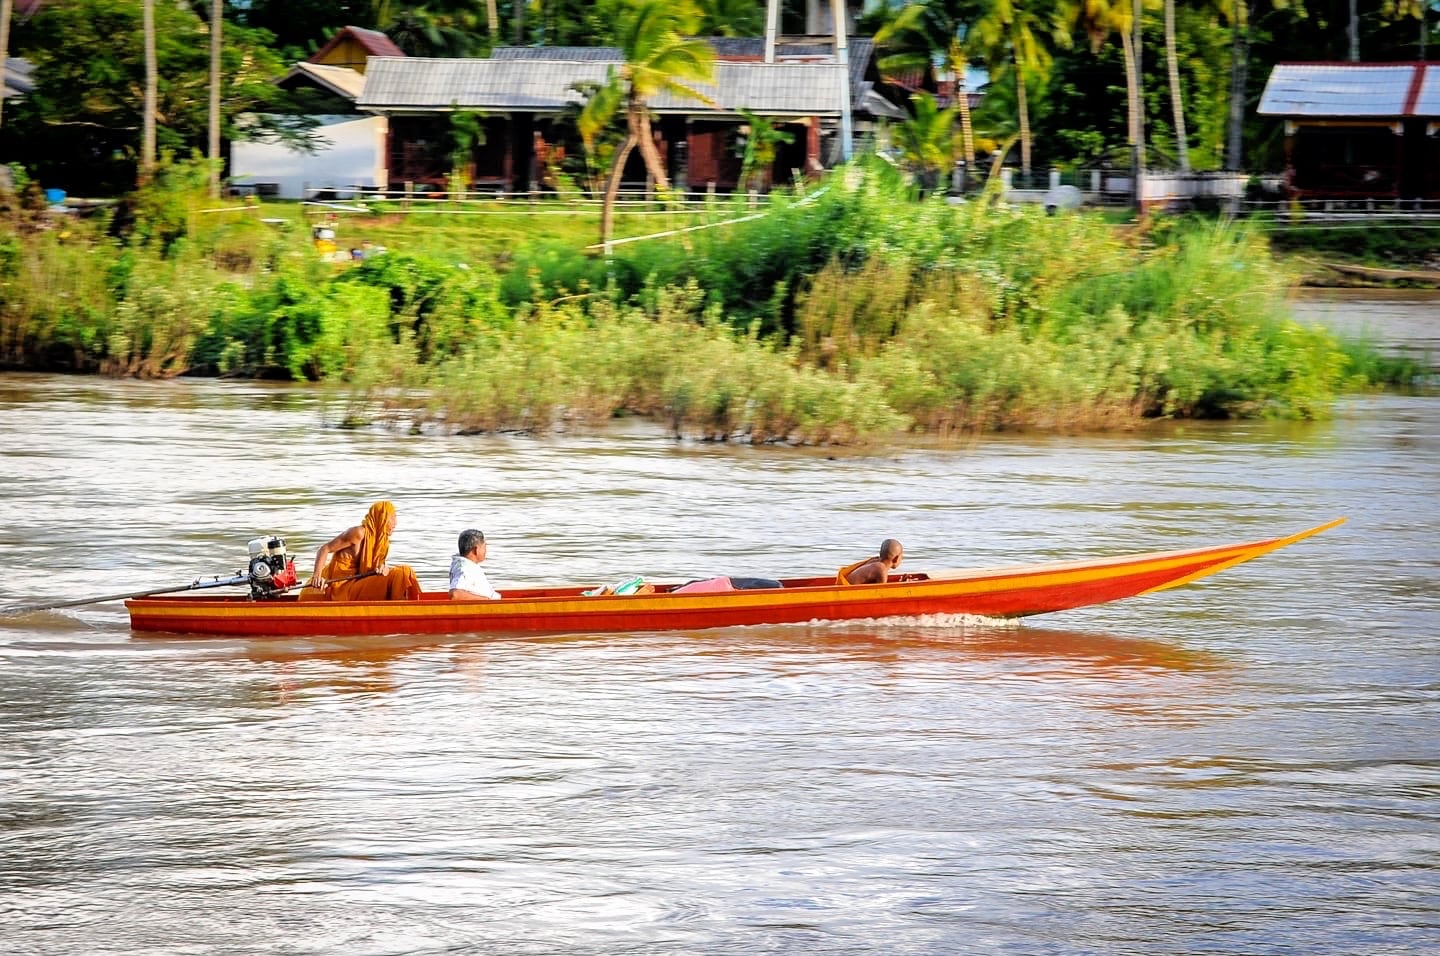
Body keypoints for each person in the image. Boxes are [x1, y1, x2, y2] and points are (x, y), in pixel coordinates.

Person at [300, 501, 421, 601]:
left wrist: (383, 568)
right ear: (382, 518)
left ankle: (413, 604)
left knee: (405, 572)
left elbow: (375, 568)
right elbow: (324, 549)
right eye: (392, 517)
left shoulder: (382, 542)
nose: (396, 523)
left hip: (359, 583)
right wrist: (317, 576)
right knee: (402, 572)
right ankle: (400, 610)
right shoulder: (358, 533)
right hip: (340, 587)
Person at [450, 528, 501, 600]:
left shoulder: (463, 564)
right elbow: (455, 594)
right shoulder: (466, 569)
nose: (486, 551)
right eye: (484, 547)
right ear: (476, 550)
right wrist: (487, 601)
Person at [836, 538, 904, 586]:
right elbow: (881, 593)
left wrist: (900, 582)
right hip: (847, 593)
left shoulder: (875, 562)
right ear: (896, 558)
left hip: (844, 588)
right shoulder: (881, 569)